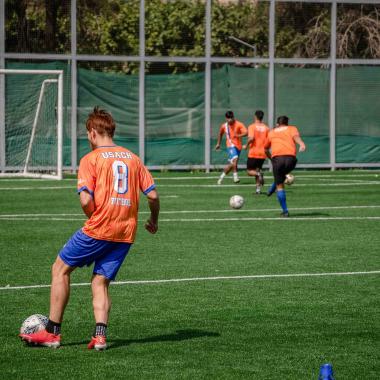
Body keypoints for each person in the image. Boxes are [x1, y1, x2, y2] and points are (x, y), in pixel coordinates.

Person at [19, 106, 160, 350]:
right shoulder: (133, 158)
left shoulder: (90, 159)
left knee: (60, 268)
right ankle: (100, 336)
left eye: (87, 134)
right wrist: (154, 220)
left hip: (99, 228)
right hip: (126, 233)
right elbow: (153, 196)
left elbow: (85, 200)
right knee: (100, 282)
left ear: (93, 132)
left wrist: (95, 217)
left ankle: (52, 332)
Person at [264, 115, 306, 217]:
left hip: (278, 159)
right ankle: (271, 189)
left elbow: (265, 149)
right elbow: (296, 137)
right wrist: (302, 144)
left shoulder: (272, 132)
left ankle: (285, 211)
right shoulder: (292, 128)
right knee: (281, 176)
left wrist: (272, 159)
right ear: (287, 123)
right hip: (291, 159)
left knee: (280, 185)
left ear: (277, 124)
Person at [215, 110, 247, 185]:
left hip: (238, 146)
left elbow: (246, 132)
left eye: (231, 118)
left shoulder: (239, 124)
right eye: (228, 118)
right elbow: (220, 134)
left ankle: (221, 178)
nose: (230, 120)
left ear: (233, 117)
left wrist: (238, 135)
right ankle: (235, 177)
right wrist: (218, 143)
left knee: (232, 165)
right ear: (226, 118)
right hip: (230, 145)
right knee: (235, 160)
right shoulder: (224, 126)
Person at [242, 110, 269, 194]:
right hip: (263, 153)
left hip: (254, 152)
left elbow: (251, 138)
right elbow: (268, 141)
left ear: (255, 116)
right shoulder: (266, 128)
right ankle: (258, 190)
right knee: (258, 170)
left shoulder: (252, 126)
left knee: (250, 172)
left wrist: (246, 145)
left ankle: (259, 174)